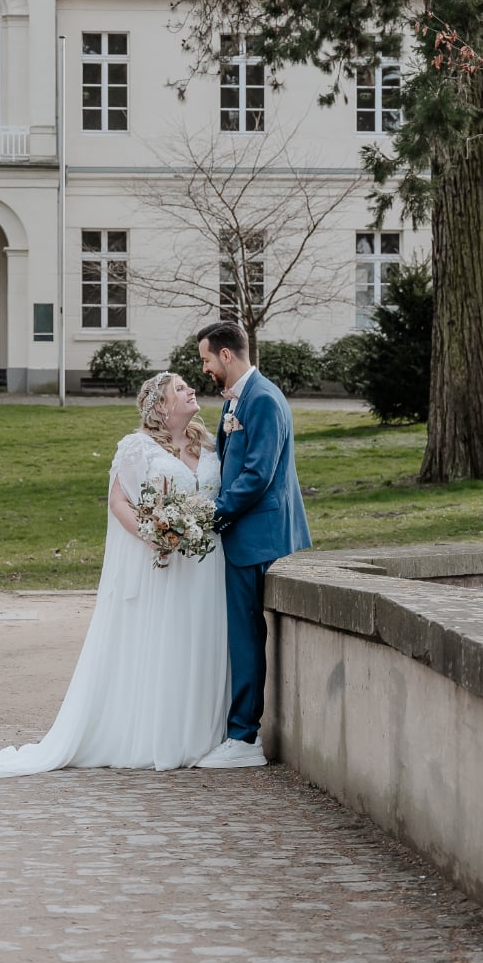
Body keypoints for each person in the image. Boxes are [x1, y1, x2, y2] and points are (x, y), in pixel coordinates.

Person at [0, 371, 228, 777]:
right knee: (167, 642)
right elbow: (119, 502)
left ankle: (203, 734)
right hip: (165, 564)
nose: (191, 390)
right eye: (180, 388)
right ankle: (161, 735)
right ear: (160, 406)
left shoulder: (210, 444)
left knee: (200, 641)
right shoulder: (137, 448)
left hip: (205, 564)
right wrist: (156, 536)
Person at [193, 319, 312, 770]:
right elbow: (235, 461)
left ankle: (244, 738)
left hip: (258, 537)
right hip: (248, 534)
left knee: (245, 636)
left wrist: (213, 515)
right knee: (242, 635)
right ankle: (240, 731)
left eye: (206, 359)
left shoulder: (262, 400)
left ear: (226, 355)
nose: (204, 369)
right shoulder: (240, 400)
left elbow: (258, 475)